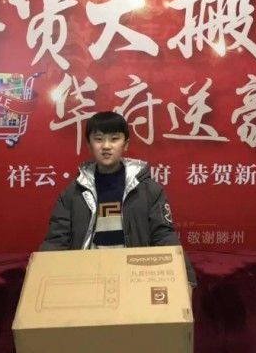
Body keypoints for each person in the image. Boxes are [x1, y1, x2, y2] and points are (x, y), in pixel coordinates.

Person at [40, 111, 197, 287]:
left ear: (126, 144)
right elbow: (56, 240)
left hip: (135, 278)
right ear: (89, 145)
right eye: (98, 139)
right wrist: (39, 277)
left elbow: (164, 236)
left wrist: (185, 278)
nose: (106, 146)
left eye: (114, 139)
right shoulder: (72, 193)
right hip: (87, 278)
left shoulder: (149, 190)